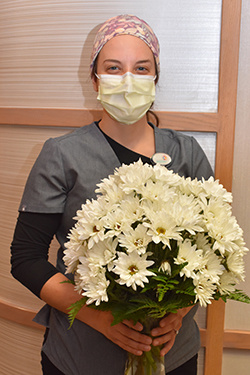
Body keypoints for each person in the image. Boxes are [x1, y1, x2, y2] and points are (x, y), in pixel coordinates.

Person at [11, 15, 213, 375]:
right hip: (81, 355)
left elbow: (212, 250)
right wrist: (102, 319)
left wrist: (178, 314)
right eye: (114, 68)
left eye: (141, 68)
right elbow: (26, 258)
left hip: (173, 355)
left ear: (155, 77)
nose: (127, 80)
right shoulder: (62, 154)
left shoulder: (187, 153)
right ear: (95, 78)